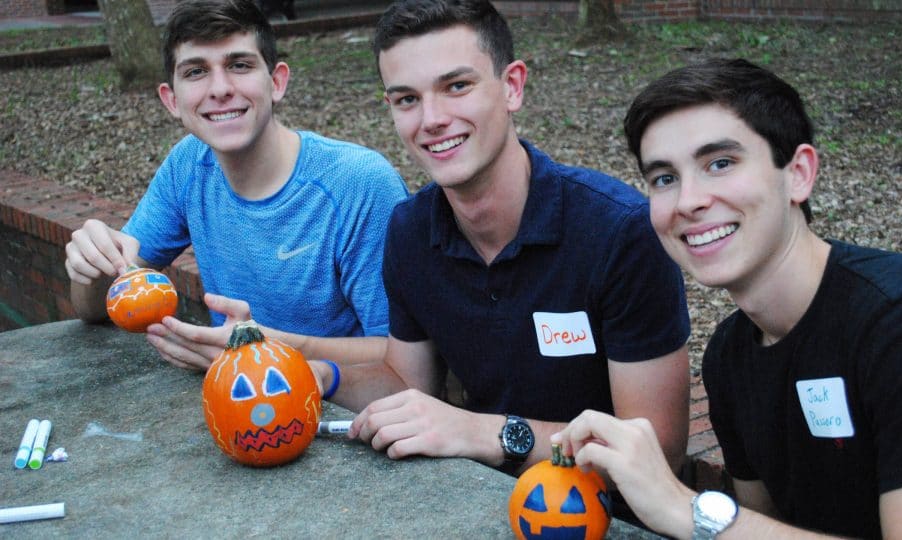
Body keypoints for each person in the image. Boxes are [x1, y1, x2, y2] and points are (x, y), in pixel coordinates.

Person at [553, 58, 902, 539]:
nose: (688, 201)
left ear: (799, 174)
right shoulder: (729, 358)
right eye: (664, 178)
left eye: (720, 164)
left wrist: (689, 509)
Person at [311, 0, 692, 480]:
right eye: (408, 99)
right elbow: (409, 387)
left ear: (512, 86)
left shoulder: (619, 232)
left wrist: (483, 432)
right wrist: (325, 375)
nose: (431, 118)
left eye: (456, 86)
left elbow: (658, 449)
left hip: (599, 516)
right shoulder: (410, 230)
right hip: (472, 499)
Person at [64, 0, 408, 371]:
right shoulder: (188, 165)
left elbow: (407, 360)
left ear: (276, 82)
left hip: (347, 414)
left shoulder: (359, 185)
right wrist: (93, 267)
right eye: (196, 71)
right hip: (234, 407)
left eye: (239, 65)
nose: (220, 88)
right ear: (172, 100)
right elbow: (94, 309)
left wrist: (257, 347)